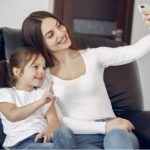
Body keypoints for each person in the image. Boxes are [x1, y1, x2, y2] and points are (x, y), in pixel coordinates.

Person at [21, 10, 150, 149]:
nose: (60, 33)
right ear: (40, 44)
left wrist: (109, 125)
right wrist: (103, 127)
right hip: (81, 136)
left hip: (115, 129)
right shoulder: (43, 77)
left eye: (59, 25)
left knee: (117, 139)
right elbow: (59, 121)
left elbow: (135, 51)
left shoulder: (93, 56)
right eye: (50, 35)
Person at [0, 47, 78, 149]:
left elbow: (54, 120)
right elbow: (13, 115)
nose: (42, 71)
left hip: (46, 139)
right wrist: (40, 102)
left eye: (44, 68)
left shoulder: (43, 94)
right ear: (17, 72)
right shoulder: (5, 93)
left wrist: (50, 129)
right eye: (36, 67)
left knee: (64, 131)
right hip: (22, 143)